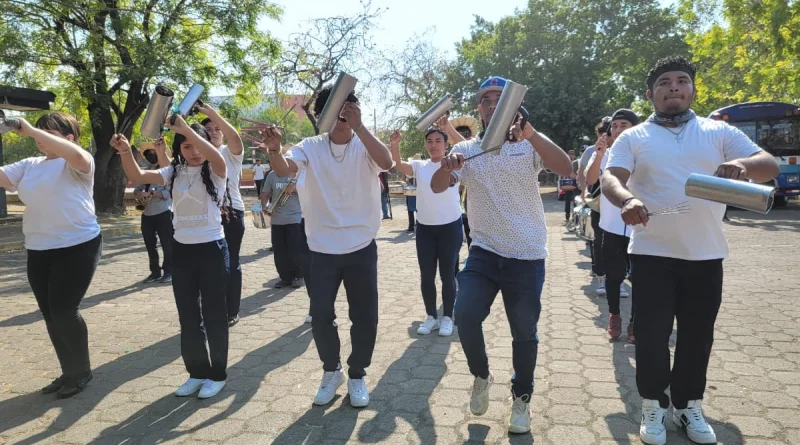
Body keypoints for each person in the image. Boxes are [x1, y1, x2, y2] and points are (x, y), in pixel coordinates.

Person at [601, 56, 779, 445]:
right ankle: (652, 404)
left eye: (682, 81)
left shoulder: (716, 132)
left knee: (698, 336)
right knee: (650, 334)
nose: (674, 88)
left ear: (693, 89)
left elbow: (768, 164)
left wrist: (740, 165)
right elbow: (611, 177)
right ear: (651, 94)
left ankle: (687, 404)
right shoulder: (634, 137)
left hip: (705, 254)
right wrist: (627, 200)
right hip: (652, 254)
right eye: (665, 82)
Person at [431, 76, 573, 433]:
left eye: (500, 99)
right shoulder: (470, 150)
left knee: (524, 331)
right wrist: (447, 166)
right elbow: (436, 186)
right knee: (464, 316)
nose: (492, 104)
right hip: (483, 253)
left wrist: (532, 134)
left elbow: (565, 167)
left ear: (514, 107)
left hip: (526, 256)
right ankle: (481, 376)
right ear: (478, 110)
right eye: (485, 100)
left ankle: (521, 397)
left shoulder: (529, 146)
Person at [255, 85, 393, 409]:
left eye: (348, 108)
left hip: (361, 245)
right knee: (320, 315)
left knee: (365, 317)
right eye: (333, 109)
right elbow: (284, 168)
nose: (341, 115)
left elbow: (386, 161)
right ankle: (332, 372)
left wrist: (360, 126)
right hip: (321, 248)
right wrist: (274, 149)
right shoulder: (310, 147)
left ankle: (357, 374)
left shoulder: (364, 144)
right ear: (320, 116)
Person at [112, 114, 232, 400]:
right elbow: (138, 177)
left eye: (198, 145)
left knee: (215, 316)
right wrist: (126, 151)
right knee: (189, 318)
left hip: (212, 249)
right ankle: (197, 372)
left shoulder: (217, 169)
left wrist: (187, 129)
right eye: (186, 146)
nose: (194, 152)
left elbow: (215, 156)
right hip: (183, 252)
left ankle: (218, 375)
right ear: (178, 149)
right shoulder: (173, 172)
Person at [0, 112, 102, 399]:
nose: (39, 138)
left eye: (49, 133)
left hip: (78, 244)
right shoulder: (30, 164)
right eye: (39, 133)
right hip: (39, 247)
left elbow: (76, 155)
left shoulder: (78, 161)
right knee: (50, 314)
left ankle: (81, 371)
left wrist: (31, 130)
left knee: (64, 310)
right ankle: (68, 371)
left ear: (69, 138)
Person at [390, 128, 462, 337]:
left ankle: (448, 317)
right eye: (429, 141)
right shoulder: (419, 166)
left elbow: (453, 180)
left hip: (450, 226)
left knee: (448, 274)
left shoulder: (453, 164)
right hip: (425, 229)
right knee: (427, 275)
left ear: (446, 144)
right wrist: (395, 146)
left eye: (438, 141)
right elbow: (400, 166)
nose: (433, 145)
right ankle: (431, 316)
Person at [585, 109, 638, 342]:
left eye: (623, 125)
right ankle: (614, 315)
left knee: (640, 277)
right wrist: (598, 154)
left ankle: (636, 321)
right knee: (614, 276)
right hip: (611, 226)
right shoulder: (605, 154)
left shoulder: (644, 151)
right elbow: (590, 180)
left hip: (640, 226)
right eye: (614, 126)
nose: (617, 130)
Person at [200, 105, 245, 327]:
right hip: (206, 216)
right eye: (209, 129)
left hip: (232, 213)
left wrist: (212, 114)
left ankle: (231, 310)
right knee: (210, 266)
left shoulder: (230, 152)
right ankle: (211, 308)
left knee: (232, 263)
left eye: (218, 128)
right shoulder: (197, 154)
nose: (215, 132)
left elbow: (234, 136)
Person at [260, 167, 309, 294]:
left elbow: (310, 191)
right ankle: (285, 277)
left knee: (295, 249)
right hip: (277, 218)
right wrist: (264, 205)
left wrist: (295, 188)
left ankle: (299, 276)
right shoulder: (272, 175)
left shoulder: (298, 174)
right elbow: (265, 193)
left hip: (295, 217)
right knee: (279, 250)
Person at [579, 117, 612, 294]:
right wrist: (584, 192)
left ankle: (617, 278)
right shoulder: (593, 151)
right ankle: (600, 274)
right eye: (601, 133)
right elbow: (583, 175)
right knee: (599, 240)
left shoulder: (626, 150)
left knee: (617, 244)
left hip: (620, 205)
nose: (603, 136)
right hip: (598, 202)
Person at [135, 143, 174, 284]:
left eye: (153, 152)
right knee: (149, 244)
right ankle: (155, 272)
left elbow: (169, 192)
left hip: (164, 212)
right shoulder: (146, 172)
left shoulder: (168, 171)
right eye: (147, 154)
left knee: (167, 244)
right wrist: (139, 193)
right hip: (147, 214)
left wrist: (151, 194)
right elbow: (137, 187)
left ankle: (169, 271)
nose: (150, 155)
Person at [563, 150, 578, 222]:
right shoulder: (565, 163)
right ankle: (567, 216)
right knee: (567, 202)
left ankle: (574, 218)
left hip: (575, 185)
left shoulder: (577, 163)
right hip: (567, 185)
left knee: (575, 202)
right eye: (569, 154)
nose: (571, 156)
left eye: (572, 154)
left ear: (574, 156)